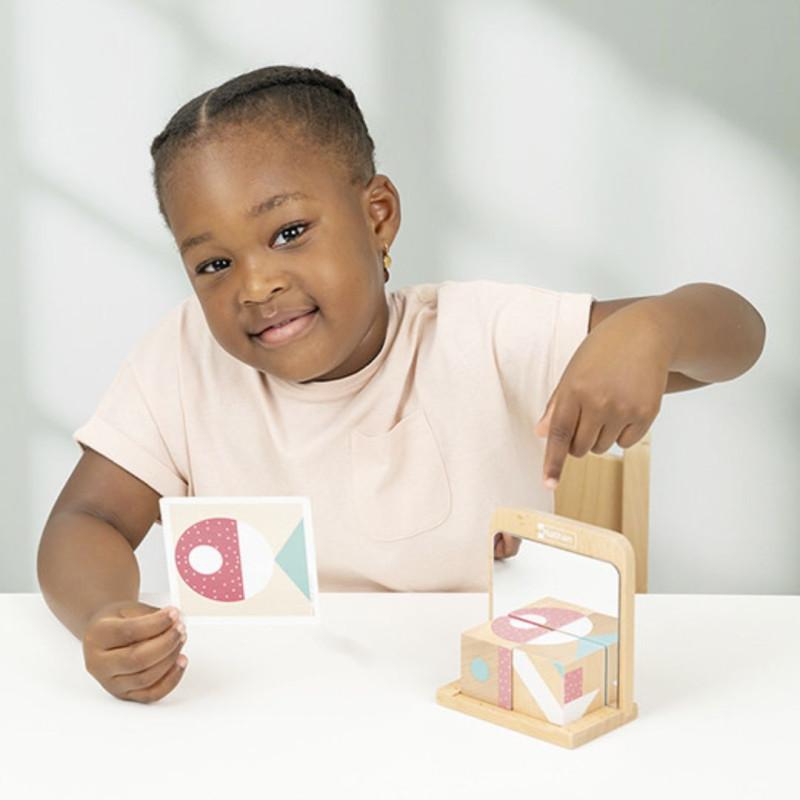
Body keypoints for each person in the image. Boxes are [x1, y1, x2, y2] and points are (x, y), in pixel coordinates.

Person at [37, 65, 765, 704]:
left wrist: (657, 328)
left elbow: (737, 335)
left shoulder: (481, 334)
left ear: (377, 216)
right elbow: (85, 522)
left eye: (289, 232)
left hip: (467, 704)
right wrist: (105, 614)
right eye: (213, 265)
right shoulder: (182, 358)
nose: (257, 285)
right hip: (258, 709)